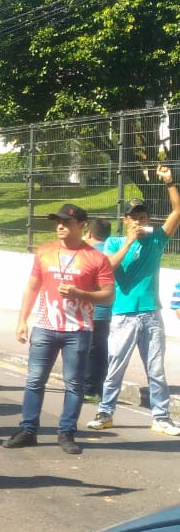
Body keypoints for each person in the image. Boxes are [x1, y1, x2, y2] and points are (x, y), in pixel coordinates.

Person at [8, 203, 114, 455]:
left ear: (82, 226)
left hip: (78, 329)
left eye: (66, 222)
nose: (60, 226)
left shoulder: (97, 258)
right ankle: (28, 429)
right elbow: (32, 287)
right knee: (35, 380)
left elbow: (108, 295)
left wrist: (81, 294)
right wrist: (22, 320)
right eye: (58, 222)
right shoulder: (44, 252)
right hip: (45, 326)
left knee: (74, 383)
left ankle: (66, 432)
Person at [87, 169, 180, 437]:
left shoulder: (157, 240)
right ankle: (105, 412)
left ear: (148, 219)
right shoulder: (114, 242)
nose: (139, 221)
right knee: (115, 365)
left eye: (143, 217)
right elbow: (108, 268)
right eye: (134, 218)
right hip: (123, 315)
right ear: (125, 220)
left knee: (156, 369)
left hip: (151, 313)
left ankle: (161, 417)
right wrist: (129, 241)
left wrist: (169, 182)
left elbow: (177, 211)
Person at [81, 218, 113, 404]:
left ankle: (89, 389)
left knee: (87, 350)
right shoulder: (111, 251)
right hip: (108, 310)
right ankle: (96, 388)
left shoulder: (88, 252)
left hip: (89, 309)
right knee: (101, 349)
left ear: (90, 233)